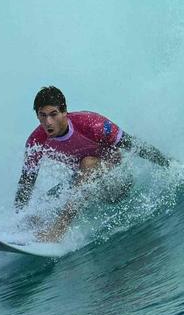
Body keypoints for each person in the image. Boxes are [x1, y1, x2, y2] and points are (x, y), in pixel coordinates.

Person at [14, 86, 172, 242]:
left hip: (119, 180)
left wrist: (170, 165)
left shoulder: (92, 124)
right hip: (88, 187)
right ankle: (28, 233)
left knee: (87, 163)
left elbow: (135, 146)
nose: (48, 122)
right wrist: (17, 219)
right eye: (42, 115)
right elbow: (26, 183)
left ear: (64, 112)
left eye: (53, 114)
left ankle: (58, 231)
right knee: (42, 206)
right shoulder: (36, 141)